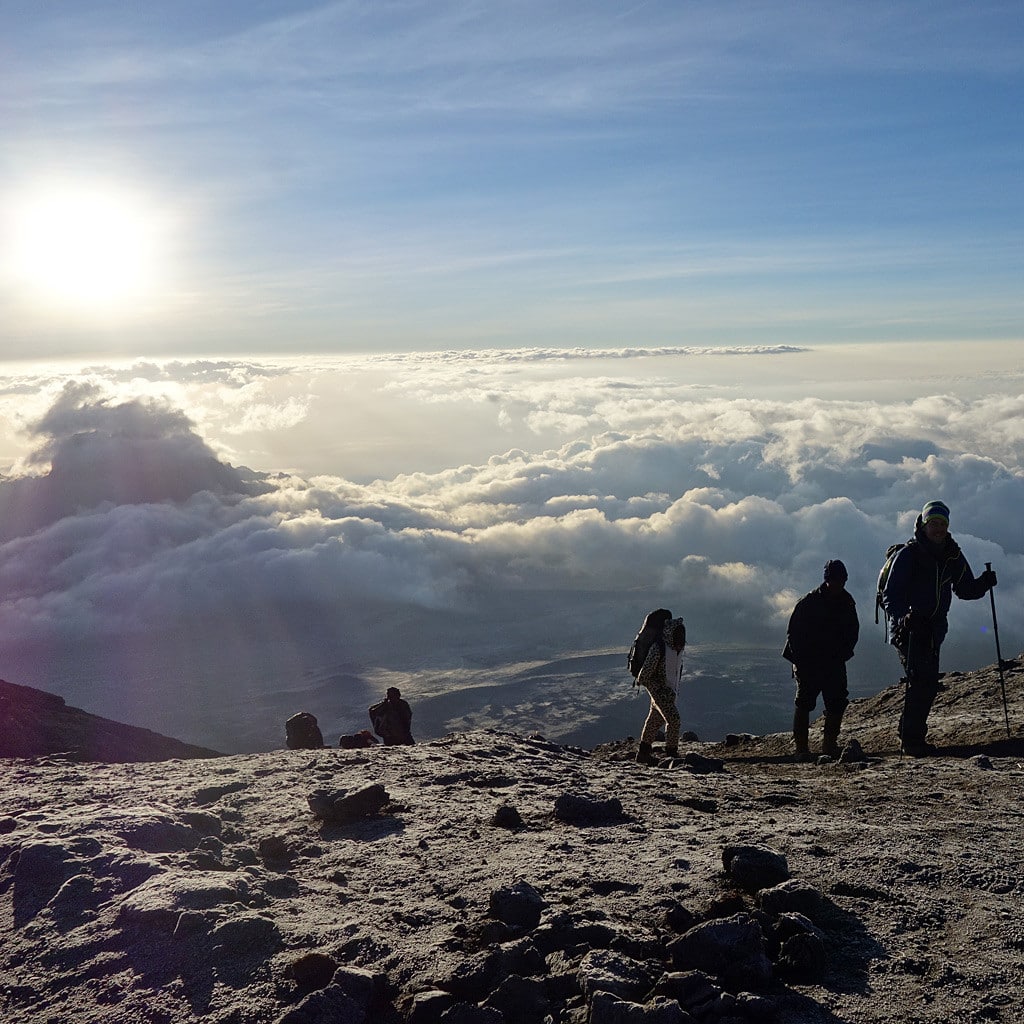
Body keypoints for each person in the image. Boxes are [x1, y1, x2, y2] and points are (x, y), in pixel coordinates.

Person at [881, 500, 997, 756]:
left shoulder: (952, 554)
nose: (938, 528)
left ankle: (910, 735)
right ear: (923, 524)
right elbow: (891, 595)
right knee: (921, 680)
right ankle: (911, 740)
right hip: (907, 630)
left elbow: (964, 589)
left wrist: (983, 584)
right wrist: (903, 618)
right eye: (933, 523)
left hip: (933, 630)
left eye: (942, 524)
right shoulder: (908, 555)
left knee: (927, 682)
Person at [783, 559, 859, 759]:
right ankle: (801, 749)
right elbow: (794, 635)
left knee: (836, 702)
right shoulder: (808, 603)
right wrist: (802, 661)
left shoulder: (846, 602)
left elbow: (853, 631)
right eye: (834, 580)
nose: (837, 584)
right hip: (809, 662)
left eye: (840, 580)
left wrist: (842, 654)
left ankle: (829, 745)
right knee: (804, 703)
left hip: (833, 662)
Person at [635, 615, 687, 765]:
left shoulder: (673, 650)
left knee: (654, 722)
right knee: (674, 720)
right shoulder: (658, 649)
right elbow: (643, 676)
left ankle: (643, 754)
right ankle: (671, 754)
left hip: (668, 693)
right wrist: (659, 691)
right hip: (661, 693)